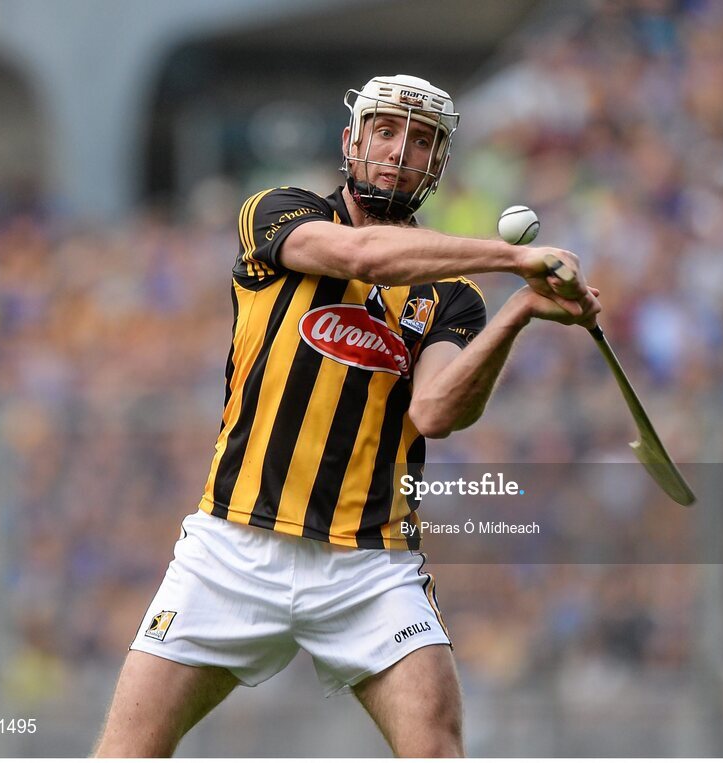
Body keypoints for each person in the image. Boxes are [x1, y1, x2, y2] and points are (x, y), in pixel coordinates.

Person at [94, 74, 600, 757]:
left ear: (437, 165)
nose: (399, 150)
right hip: (233, 548)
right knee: (127, 753)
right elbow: (364, 257)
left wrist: (518, 310)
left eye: (420, 140)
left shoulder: (453, 297)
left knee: (437, 746)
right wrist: (514, 257)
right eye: (386, 132)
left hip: (372, 566)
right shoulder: (278, 212)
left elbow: (437, 411)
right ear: (351, 142)